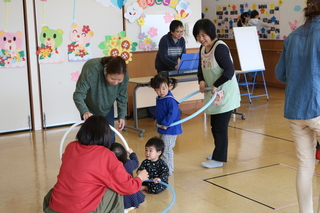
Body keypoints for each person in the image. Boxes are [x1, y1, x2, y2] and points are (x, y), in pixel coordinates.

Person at [43, 115, 149, 213]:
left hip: (54, 208)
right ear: (106, 135)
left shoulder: (70, 147)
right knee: (115, 189)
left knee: (61, 187)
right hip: (81, 210)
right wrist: (140, 178)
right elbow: (127, 187)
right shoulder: (105, 155)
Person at [275, 1, 320, 212]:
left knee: (305, 167)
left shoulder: (292, 37)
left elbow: (280, 74)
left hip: (295, 109)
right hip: (318, 107)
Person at [192, 19, 241, 169]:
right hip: (213, 94)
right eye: (198, 36)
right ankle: (217, 152)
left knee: (220, 127)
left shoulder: (219, 48)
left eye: (204, 35)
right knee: (214, 125)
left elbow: (229, 71)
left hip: (225, 94)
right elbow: (201, 69)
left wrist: (216, 84)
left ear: (211, 34)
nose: (201, 39)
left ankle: (219, 159)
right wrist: (201, 81)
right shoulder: (203, 48)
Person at [73, 56, 129, 143]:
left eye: (119, 80)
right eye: (112, 79)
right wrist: (85, 111)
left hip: (107, 107)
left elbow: (122, 96)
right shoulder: (92, 69)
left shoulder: (125, 75)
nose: (115, 83)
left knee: (110, 138)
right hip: (89, 108)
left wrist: (122, 116)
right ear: (106, 72)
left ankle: (108, 156)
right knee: (91, 139)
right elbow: (78, 94)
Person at [149, 74, 182, 175]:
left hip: (171, 129)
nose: (161, 92)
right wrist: (156, 118)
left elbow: (173, 113)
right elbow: (159, 110)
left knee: (167, 149)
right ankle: (163, 167)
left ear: (169, 86)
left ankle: (168, 170)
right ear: (154, 89)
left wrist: (166, 123)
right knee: (162, 147)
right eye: (158, 89)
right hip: (163, 127)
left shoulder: (170, 100)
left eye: (164, 88)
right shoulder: (159, 98)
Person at [110, 143, 146, 212]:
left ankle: (125, 208)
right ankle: (133, 205)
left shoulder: (110, 167)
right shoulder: (129, 163)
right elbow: (136, 162)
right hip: (129, 188)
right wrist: (132, 154)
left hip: (118, 190)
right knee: (130, 197)